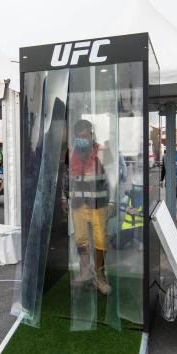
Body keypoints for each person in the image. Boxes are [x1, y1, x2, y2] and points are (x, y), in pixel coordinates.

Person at [62, 119, 112, 294]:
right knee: (81, 238)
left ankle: (100, 275)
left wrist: (112, 203)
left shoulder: (102, 152)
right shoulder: (71, 153)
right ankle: (85, 272)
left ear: (91, 134)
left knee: (100, 239)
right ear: (75, 137)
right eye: (79, 136)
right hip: (78, 205)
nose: (83, 139)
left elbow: (112, 177)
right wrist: (64, 196)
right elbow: (66, 176)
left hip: (98, 204)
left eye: (86, 135)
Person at [160, 147, 177, 222]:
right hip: (170, 180)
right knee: (173, 198)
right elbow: (164, 169)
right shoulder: (165, 156)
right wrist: (161, 179)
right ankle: (171, 214)